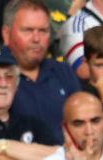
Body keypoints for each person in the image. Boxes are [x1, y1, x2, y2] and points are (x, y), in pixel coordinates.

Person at [4, 0, 79, 142]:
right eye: (27, 30)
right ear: (6, 34)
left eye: (43, 31)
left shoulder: (63, 72)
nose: (36, 38)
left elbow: (83, 125)